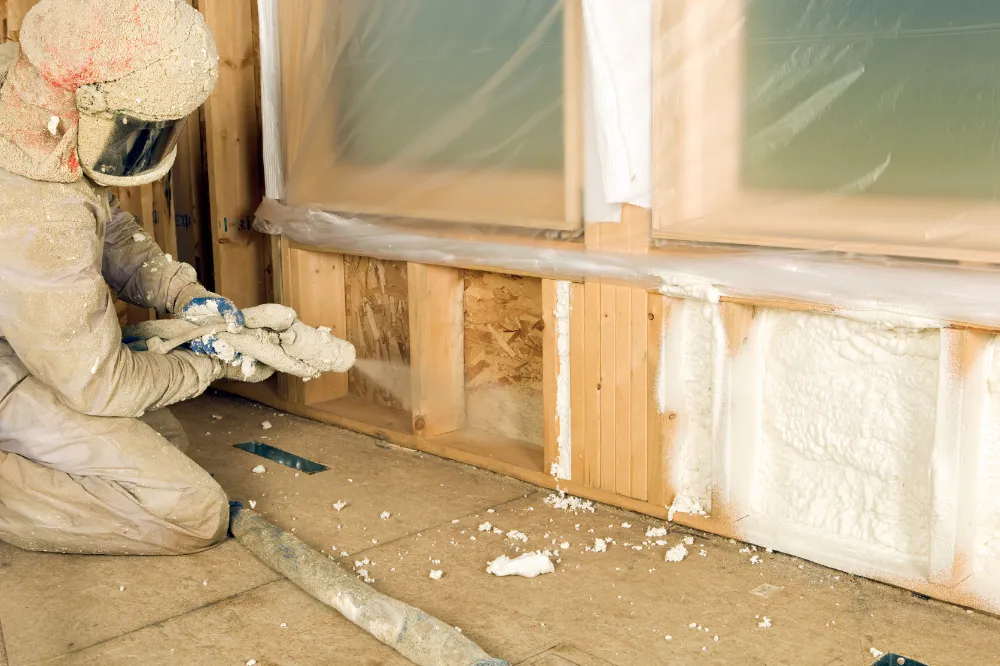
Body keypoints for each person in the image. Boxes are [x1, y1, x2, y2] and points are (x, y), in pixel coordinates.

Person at [0, 0, 271, 555]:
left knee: (165, 436)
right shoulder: (29, 208)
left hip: (17, 339)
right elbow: (102, 384)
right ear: (92, 105)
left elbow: (103, 229)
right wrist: (212, 363)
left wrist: (183, 294)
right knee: (191, 512)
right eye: (144, 129)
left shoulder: (33, 103)